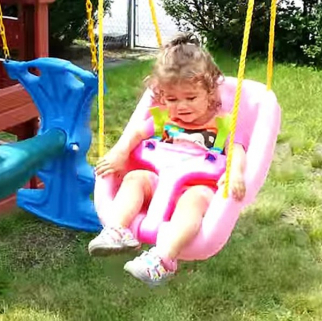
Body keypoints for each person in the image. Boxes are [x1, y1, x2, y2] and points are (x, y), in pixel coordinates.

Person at [89, 32, 248, 287]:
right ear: (162, 96)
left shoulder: (221, 123)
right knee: (135, 178)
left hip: (196, 186)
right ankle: (117, 229)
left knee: (193, 202)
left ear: (210, 92)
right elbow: (137, 133)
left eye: (191, 98)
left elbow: (237, 150)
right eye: (172, 99)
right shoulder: (165, 118)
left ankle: (162, 260)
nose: (181, 106)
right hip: (159, 181)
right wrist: (119, 153)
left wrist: (235, 172)